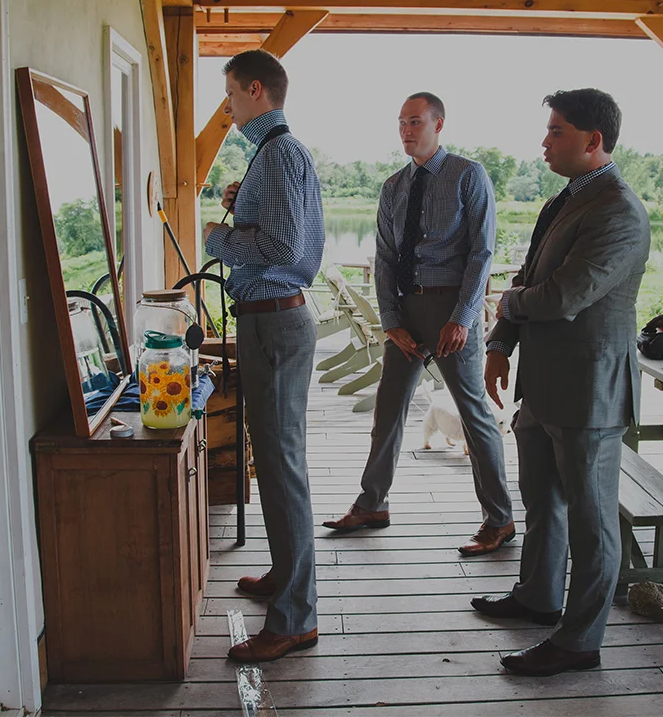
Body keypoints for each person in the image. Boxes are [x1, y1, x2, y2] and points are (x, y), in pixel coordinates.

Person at [473, 88, 650, 676]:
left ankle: (579, 642)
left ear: (592, 140)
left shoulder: (619, 210)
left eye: (556, 131)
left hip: (589, 390)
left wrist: (509, 303)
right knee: (542, 501)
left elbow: (564, 296)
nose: (544, 142)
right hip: (542, 385)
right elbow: (530, 277)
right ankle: (539, 597)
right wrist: (499, 343)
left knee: (592, 524)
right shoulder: (565, 201)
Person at [322, 93, 515, 556]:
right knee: (388, 408)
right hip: (406, 311)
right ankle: (372, 504)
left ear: (438, 124)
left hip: (452, 312)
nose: (406, 130)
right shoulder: (393, 186)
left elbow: (482, 253)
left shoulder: (468, 175)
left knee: (473, 413)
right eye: (401, 123)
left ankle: (499, 520)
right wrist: (391, 321)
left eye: (415, 122)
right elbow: (385, 257)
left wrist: (462, 317)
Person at [202, 49, 325, 663]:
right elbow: (281, 231)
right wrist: (242, 200)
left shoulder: (275, 154)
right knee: (276, 465)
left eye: (230, 94)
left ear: (256, 90)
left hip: (273, 322)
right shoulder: (275, 154)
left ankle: (295, 618)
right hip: (273, 321)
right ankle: (285, 574)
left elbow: (279, 247)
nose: (227, 107)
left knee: (280, 468)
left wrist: (216, 237)